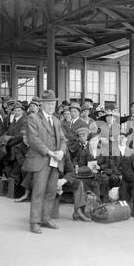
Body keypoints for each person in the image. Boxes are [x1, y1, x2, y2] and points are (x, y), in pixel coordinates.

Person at [22, 90, 68, 234]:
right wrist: (49, 152)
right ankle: (34, 222)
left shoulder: (56, 120)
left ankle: (45, 218)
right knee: (38, 192)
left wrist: (61, 151)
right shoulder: (33, 118)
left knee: (50, 191)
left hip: (55, 161)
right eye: (48, 103)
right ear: (41, 104)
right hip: (41, 160)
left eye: (53, 103)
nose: (51, 106)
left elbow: (64, 139)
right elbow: (33, 140)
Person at [74, 133, 111, 202]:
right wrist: (89, 168)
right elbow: (82, 164)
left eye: (96, 140)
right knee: (91, 181)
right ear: (88, 141)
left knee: (105, 179)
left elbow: (107, 163)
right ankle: (93, 199)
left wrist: (99, 167)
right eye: (93, 140)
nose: (95, 142)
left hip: (100, 171)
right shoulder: (84, 151)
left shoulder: (103, 150)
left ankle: (100, 198)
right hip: (88, 173)